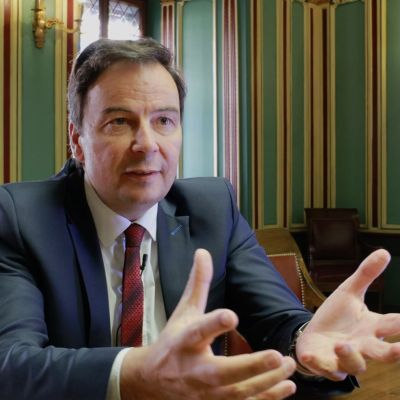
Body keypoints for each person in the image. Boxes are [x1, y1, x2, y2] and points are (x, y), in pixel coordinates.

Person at [0, 38, 399, 400]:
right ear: (77, 141)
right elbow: (11, 365)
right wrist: (134, 375)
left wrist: (306, 341)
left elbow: (277, 320)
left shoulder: (212, 208)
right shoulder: (20, 218)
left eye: (164, 120)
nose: (147, 144)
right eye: (119, 122)